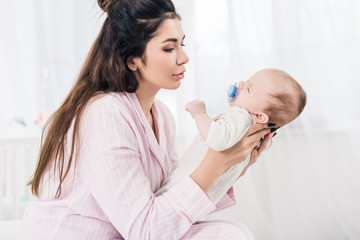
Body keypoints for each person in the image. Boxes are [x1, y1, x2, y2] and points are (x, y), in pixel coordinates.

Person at [16, 0, 273, 239]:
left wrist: (235, 165)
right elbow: (146, 231)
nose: (184, 58)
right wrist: (216, 162)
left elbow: (168, 202)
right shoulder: (105, 114)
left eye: (182, 45)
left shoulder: (162, 116)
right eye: (169, 48)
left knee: (230, 232)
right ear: (133, 60)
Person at [156, 68, 307, 204]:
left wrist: (199, 113)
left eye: (249, 88)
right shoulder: (258, 134)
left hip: (183, 185)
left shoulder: (240, 115)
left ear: (260, 117)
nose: (241, 84)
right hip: (203, 197)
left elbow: (216, 139)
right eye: (247, 81)